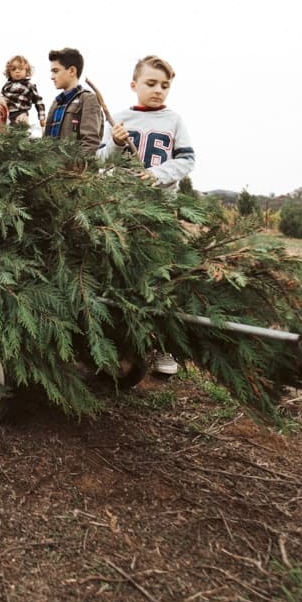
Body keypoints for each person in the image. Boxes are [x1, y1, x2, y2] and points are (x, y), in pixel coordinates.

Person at [99, 54, 195, 376]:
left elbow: (186, 160)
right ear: (134, 85)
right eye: (151, 84)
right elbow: (100, 161)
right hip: (123, 211)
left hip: (160, 213)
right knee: (122, 274)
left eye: (164, 86)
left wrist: (157, 174)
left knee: (161, 277)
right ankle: (120, 343)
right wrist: (114, 142)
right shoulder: (121, 119)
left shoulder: (174, 121)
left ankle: (165, 348)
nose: (158, 91)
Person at [43, 47, 103, 157]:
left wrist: (75, 170)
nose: (52, 77)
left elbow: (90, 142)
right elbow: (45, 142)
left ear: (72, 71)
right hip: (50, 172)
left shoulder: (88, 99)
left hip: (72, 172)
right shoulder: (56, 103)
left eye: (56, 71)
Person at [1, 55, 46, 128]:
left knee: (20, 133)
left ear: (27, 71)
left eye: (21, 69)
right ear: (9, 72)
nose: (17, 71)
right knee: (7, 134)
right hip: (7, 114)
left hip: (21, 113)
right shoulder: (6, 86)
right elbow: (1, 99)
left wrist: (42, 118)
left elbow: (38, 102)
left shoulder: (29, 86)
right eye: (13, 69)